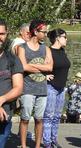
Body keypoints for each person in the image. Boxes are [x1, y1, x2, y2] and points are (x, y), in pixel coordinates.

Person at [18, 20, 53, 148]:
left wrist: (30, 65)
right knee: (25, 118)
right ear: (35, 31)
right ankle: (23, 145)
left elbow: (50, 68)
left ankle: (37, 146)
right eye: (44, 32)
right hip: (27, 89)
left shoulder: (46, 48)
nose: (46, 34)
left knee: (39, 119)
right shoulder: (22, 48)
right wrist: (41, 67)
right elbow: (22, 67)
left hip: (42, 90)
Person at [42, 28, 71, 148]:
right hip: (51, 87)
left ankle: (54, 140)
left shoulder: (63, 51)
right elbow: (39, 64)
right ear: (58, 38)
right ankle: (47, 143)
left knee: (57, 116)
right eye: (64, 37)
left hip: (61, 88)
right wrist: (44, 76)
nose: (66, 39)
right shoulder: (47, 51)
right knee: (48, 116)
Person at [0, 19, 24, 148]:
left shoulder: (12, 59)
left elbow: (18, 87)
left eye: (1, 34)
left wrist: (2, 99)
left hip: (4, 116)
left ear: (7, 34)